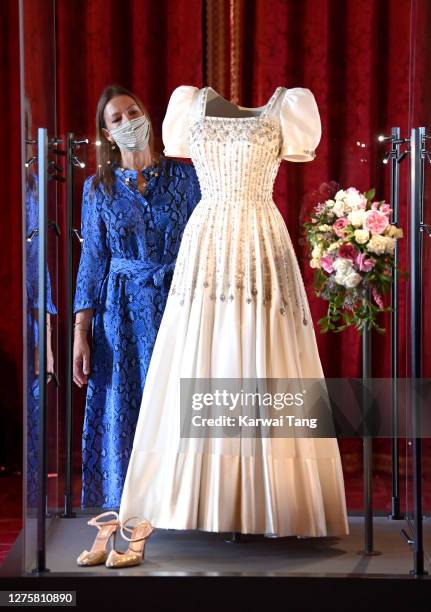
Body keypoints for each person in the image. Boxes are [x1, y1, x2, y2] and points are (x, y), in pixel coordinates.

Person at [118, 85, 349, 539]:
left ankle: (272, 499)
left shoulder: (291, 107)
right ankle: (196, 499)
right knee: (202, 347)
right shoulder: (189, 104)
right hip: (208, 240)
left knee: (265, 349)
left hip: (262, 237)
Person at [73, 84, 201, 509]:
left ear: (147, 115)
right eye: (117, 119)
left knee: (177, 404)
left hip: (177, 306)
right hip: (121, 315)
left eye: (133, 112)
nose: (128, 122)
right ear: (107, 134)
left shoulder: (187, 177)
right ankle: (129, 504)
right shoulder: (98, 189)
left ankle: (181, 504)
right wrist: (81, 332)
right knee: (125, 407)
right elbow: (92, 260)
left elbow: (205, 243)